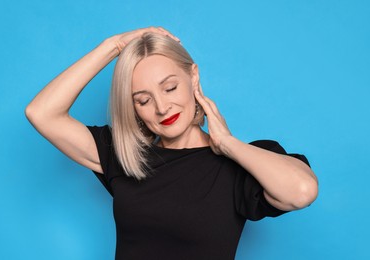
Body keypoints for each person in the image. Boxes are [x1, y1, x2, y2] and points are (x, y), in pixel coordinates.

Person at [25, 26, 318, 260]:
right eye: (143, 99)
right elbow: (41, 113)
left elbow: (302, 191)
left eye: (170, 87)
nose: (162, 107)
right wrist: (113, 46)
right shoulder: (126, 155)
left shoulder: (239, 165)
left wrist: (227, 143)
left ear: (193, 77)